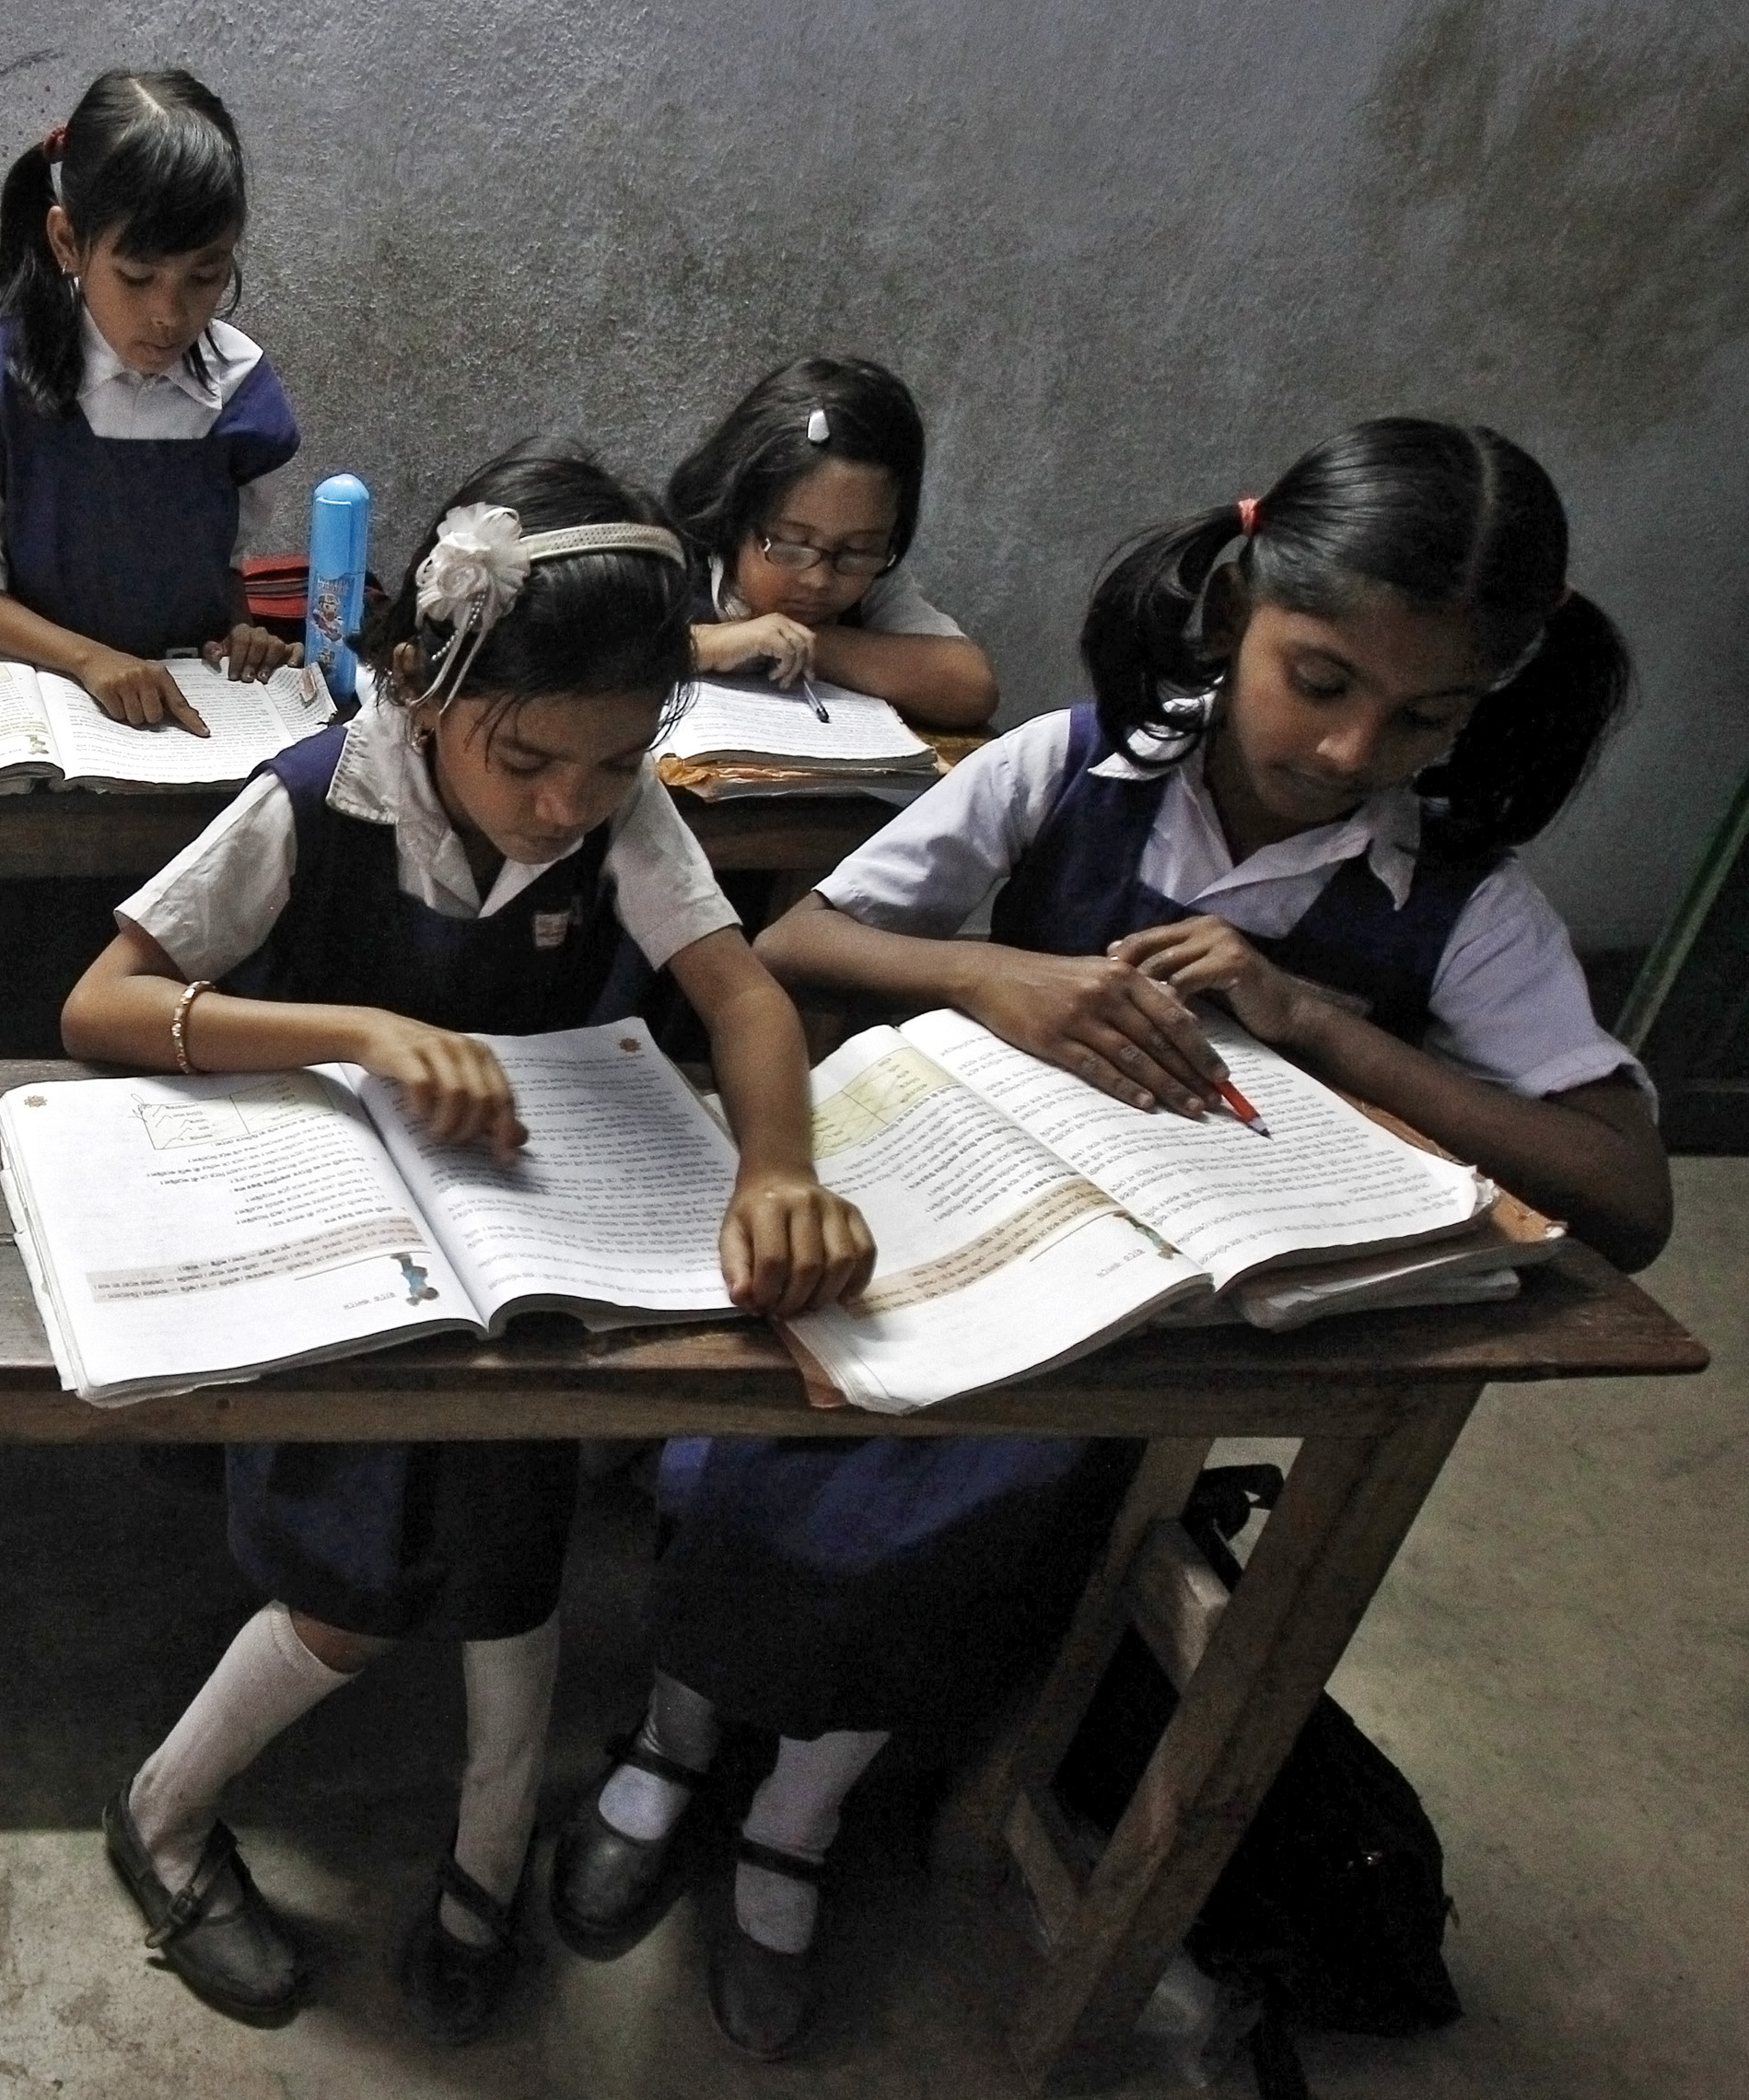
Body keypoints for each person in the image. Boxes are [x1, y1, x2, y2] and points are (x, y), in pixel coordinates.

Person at [555, 415, 1671, 2059]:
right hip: (943, 1227)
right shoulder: (1073, 768)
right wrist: (1003, 974)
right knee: (763, 1449)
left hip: (1135, 1334)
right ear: (1235, 608)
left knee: (973, 1521)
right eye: (1322, 677)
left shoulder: (1456, 898)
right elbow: (799, 937)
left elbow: (1628, 1199)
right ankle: (667, 1743)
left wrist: (1318, 1024)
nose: (1359, 749)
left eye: (1427, 715)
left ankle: (793, 1819)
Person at [64, 448, 875, 2043]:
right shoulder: (318, 800)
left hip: (532, 1279)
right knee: (348, 1593)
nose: (567, 804)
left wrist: (778, 1164)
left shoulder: (614, 814)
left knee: (518, 1576)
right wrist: (361, 1027)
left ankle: (484, 1876)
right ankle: (160, 1816)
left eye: (615, 758)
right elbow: (102, 1003)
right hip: (348, 1278)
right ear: (424, 680)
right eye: (526, 760)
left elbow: (747, 995)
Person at [0, 66, 302, 1056]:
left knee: (181, 997)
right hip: (34, 749)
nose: (169, 316)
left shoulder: (238, 390)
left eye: (204, 277)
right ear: (65, 242)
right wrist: (89, 660)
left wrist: (237, 632)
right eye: (137, 277)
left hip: (181, 753)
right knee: (22, 1010)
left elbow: (222, 571)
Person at [665, 356, 997, 732]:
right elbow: (592, 655)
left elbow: (973, 687)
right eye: (794, 544)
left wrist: (811, 645)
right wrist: (704, 645)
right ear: (734, 516)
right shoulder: (671, 562)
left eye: (856, 550)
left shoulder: (874, 582)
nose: (820, 579)